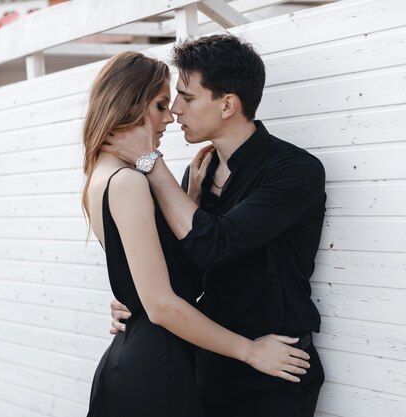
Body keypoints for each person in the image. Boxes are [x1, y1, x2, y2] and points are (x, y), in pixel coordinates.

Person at [104, 35, 326, 417]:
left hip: (274, 368)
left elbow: (213, 244)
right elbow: (190, 269)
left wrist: (151, 164)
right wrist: (137, 299)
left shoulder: (294, 171)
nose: (174, 110)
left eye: (186, 97)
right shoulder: (198, 173)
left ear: (227, 104)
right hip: (208, 363)